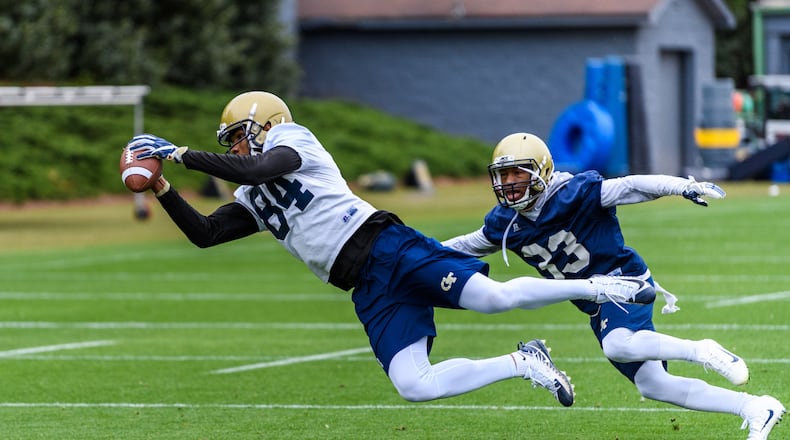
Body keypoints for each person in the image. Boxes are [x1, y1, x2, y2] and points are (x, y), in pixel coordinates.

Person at [125, 91, 656, 407]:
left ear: (267, 125)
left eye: (240, 135)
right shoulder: (251, 197)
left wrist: (180, 155)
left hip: (387, 246)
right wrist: (162, 188)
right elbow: (205, 233)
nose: (236, 146)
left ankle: (598, 286)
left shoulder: (295, 142)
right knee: (414, 386)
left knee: (492, 298)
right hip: (365, 285)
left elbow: (264, 167)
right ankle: (523, 362)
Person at [441, 132, 785, 439]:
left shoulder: (573, 192)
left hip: (623, 282)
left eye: (518, 173)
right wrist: (406, 254)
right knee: (654, 385)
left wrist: (682, 185)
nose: (510, 183)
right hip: (595, 301)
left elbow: (631, 185)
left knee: (618, 345)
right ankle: (755, 408)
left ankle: (703, 350)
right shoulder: (505, 222)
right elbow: (461, 246)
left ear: (541, 172)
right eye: (503, 175)